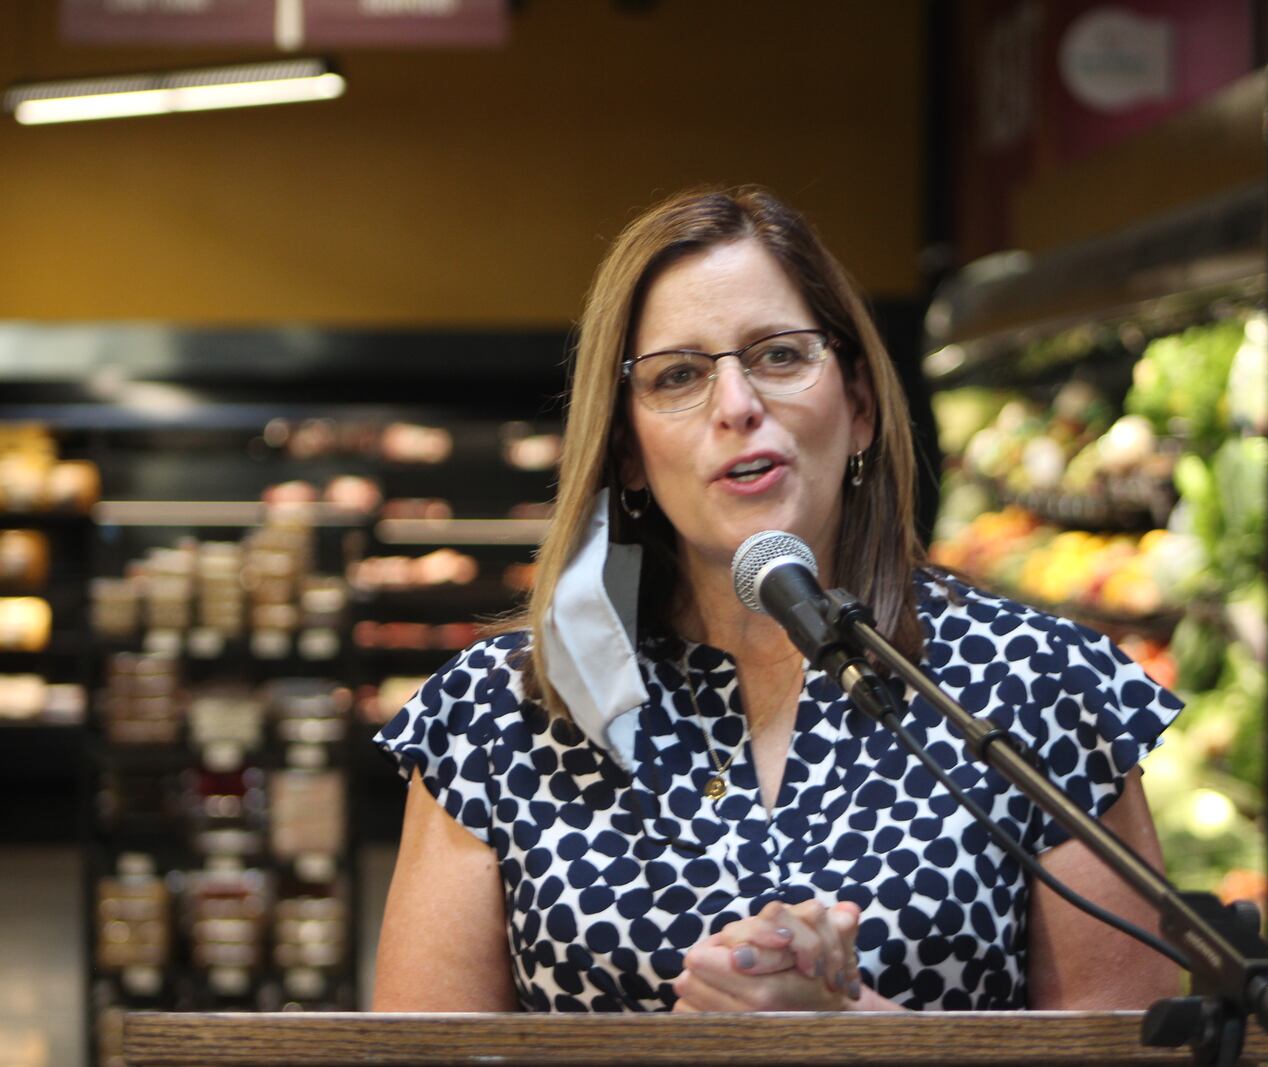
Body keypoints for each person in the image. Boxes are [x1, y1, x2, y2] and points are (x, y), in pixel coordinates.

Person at [370, 185, 1183, 1014]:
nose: (737, 406)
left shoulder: (1043, 683)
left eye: (780, 356)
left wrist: (862, 1033)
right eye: (679, 375)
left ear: (859, 406)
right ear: (626, 452)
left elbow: (1129, 1056)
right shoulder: (496, 717)